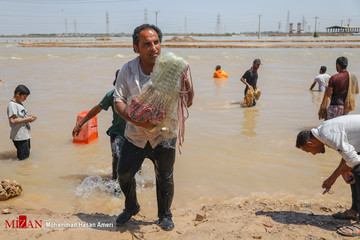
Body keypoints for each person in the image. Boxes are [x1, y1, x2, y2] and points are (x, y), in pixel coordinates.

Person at [113, 24, 194, 231]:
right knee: (123, 174)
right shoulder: (127, 70)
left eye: (156, 42)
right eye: (146, 44)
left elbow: (189, 102)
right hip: (135, 136)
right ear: (136, 48)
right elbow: (119, 101)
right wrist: (136, 120)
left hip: (164, 135)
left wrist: (186, 85)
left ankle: (164, 215)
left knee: (165, 176)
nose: (153, 47)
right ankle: (131, 206)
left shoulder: (172, 69)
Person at [296, 115, 360, 237]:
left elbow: (353, 161)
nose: (313, 154)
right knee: (353, 173)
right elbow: (349, 154)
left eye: (310, 151)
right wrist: (334, 177)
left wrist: (338, 174)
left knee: (358, 171)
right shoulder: (324, 131)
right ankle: (355, 211)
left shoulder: (328, 135)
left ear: (311, 143)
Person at [72, 70, 126, 180]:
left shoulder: (138, 94)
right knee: (117, 157)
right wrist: (80, 124)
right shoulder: (112, 95)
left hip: (135, 134)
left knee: (135, 161)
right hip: (117, 133)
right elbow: (97, 109)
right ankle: (115, 184)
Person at [7, 85, 37, 160]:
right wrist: (27, 119)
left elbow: (21, 116)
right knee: (23, 158)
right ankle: (21, 171)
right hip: (19, 136)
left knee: (26, 154)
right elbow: (12, 121)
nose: (25, 99)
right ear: (18, 94)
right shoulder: (12, 104)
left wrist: (30, 117)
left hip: (25, 135)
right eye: (24, 97)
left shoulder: (19, 103)